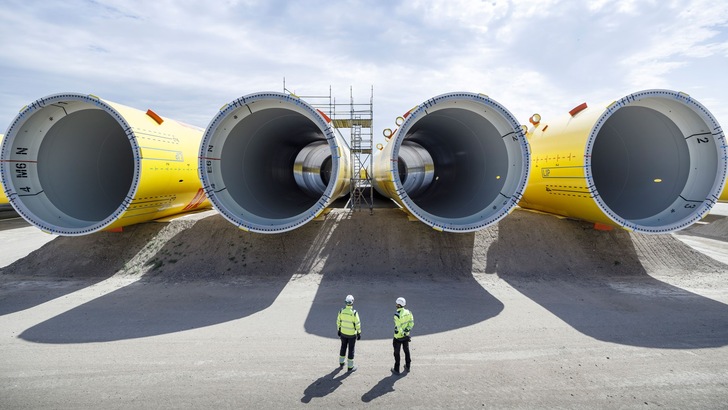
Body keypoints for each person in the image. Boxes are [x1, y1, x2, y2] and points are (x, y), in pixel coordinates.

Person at [337, 294, 361, 372]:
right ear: (352, 302)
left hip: (343, 333)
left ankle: (341, 362)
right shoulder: (354, 313)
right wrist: (359, 333)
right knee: (351, 349)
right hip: (351, 335)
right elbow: (357, 324)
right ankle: (350, 367)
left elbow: (338, 322)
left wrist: (339, 330)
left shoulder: (341, 311)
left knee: (343, 347)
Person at [392, 296, 414, 375]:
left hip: (398, 337)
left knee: (396, 353)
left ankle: (396, 369)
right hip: (406, 336)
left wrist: (403, 333)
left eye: (396, 303)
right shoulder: (408, 312)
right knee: (406, 351)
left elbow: (398, 327)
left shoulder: (397, 315)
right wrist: (407, 330)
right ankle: (408, 366)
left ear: (398, 305)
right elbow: (411, 322)